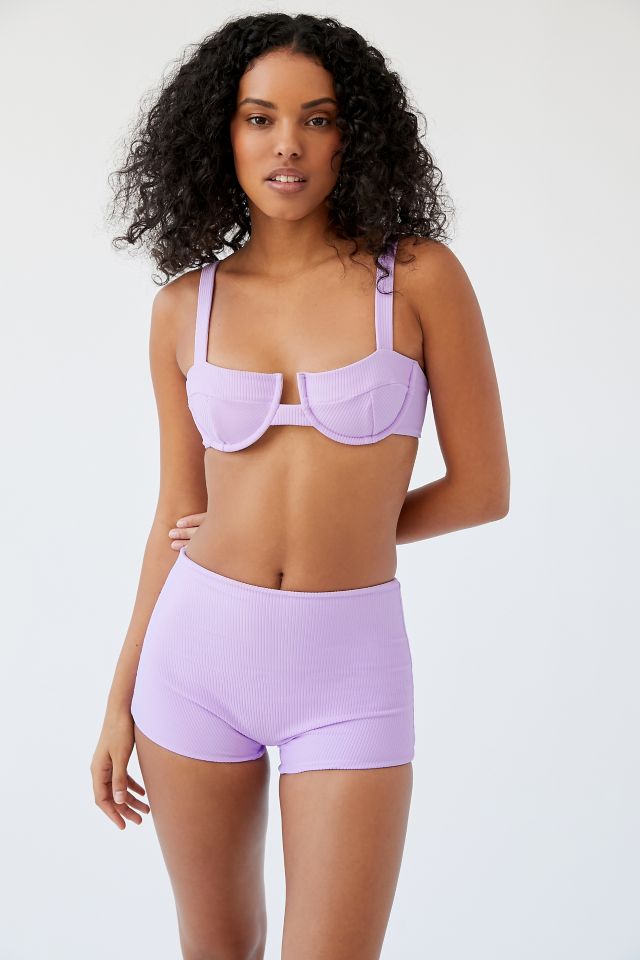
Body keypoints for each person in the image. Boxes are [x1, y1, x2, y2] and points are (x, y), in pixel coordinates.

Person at [91, 12, 509, 960]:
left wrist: (346, 531)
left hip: (348, 668)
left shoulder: (419, 279)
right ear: (222, 135)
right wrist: (118, 698)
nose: (288, 144)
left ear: (353, 137)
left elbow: (484, 489)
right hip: (194, 658)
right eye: (260, 118)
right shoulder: (184, 307)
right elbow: (175, 513)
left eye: (318, 119)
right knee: (217, 949)